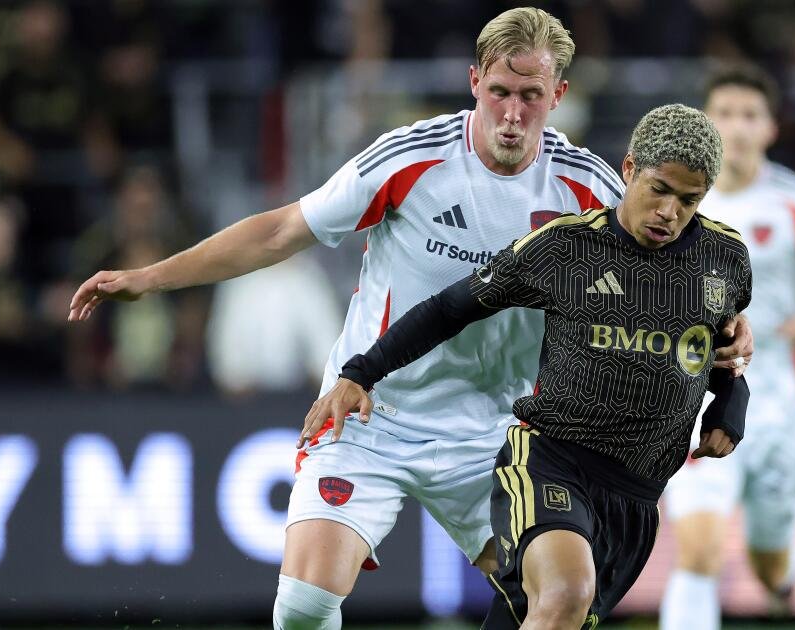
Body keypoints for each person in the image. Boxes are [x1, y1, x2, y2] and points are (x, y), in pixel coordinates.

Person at [66, 8, 754, 629]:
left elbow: (681, 264)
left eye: (532, 96)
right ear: (474, 82)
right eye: (500, 93)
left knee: (556, 605)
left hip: (502, 433)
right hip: (373, 411)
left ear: (558, 96)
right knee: (304, 607)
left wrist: (732, 328)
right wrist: (149, 278)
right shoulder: (412, 159)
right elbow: (281, 231)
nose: (513, 114)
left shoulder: (588, 186)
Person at [302, 103, 752, 630]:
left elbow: (718, 354)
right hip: (550, 461)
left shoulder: (726, 260)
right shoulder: (565, 247)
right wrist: (360, 372)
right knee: (565, 594)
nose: (670, 213)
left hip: (637, 496)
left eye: (688, 200)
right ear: (629, 169)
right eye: (659, 189)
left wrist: (730, 404)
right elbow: (450, 309)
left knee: (533, 616)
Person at [659, 62, 795, 629]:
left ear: (771, 128)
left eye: (750, 115)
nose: (736, 126)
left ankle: (782, 576)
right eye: (725, 113)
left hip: (780, 406)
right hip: (696, 396)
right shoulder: (672, 203)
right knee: (699, 551)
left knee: (769, 563)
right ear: (704, 123)